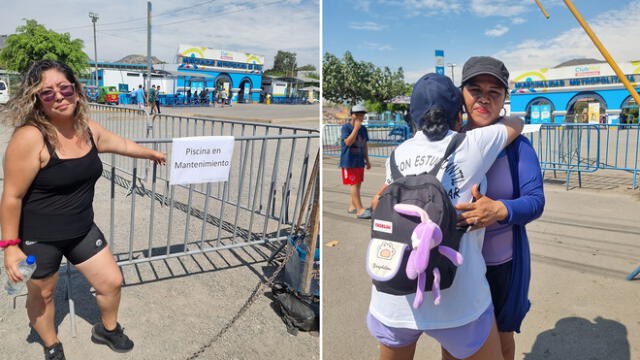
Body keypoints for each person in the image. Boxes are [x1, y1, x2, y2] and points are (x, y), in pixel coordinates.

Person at [0, 59, 166, 360]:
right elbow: (11, 197)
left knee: (111, 282)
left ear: (76, 90)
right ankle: (51, 344)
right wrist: (10, 248)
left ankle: (107, 329)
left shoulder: (87, 129)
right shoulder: (30, 137)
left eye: (64, 88)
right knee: (43, 294)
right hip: (40, 237)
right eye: (47, 92)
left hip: (81, 229)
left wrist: (151, 153)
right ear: (37, 98)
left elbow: (122, 144)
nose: (59, 96)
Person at [367, 73, 524, 360]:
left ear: (412, 116)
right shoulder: (473, 144)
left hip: (394, 294)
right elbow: (517, 123)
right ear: (458, 114)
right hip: (458, 300)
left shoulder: (396, 155)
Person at [454, 56, 545, 360]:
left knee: (502, 342)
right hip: (456, 263)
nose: (484, 98)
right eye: (475, 89)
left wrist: (500, 210)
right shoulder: (447, 141)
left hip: (501, 265)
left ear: (504, 98)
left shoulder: (518, 146)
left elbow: (535, 201)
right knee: (457, 344)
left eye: (494, 91)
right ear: (461, 94)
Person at [340, 104, 371, 219]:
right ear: (352, 115)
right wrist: (356, 128)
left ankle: (352, 206)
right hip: (349, 161)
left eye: (362, 115)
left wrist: (367, 160)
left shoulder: (364, 129)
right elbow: (348, 142)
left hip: (359, 160)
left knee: (358, 184)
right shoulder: (346, 128)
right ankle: (359, 210)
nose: (360, 117)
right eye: (357, 115)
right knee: (354, 184)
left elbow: (365, 145)